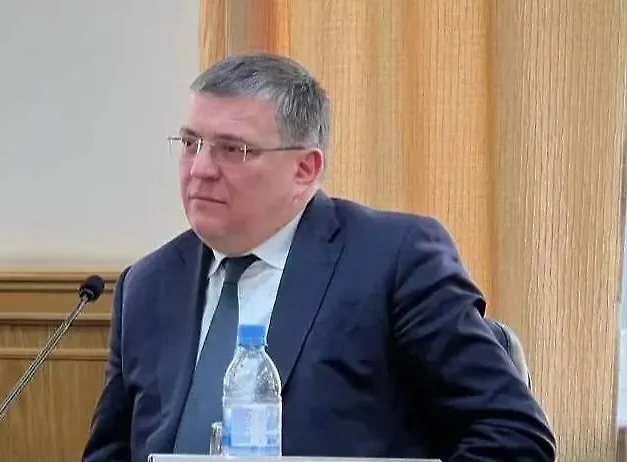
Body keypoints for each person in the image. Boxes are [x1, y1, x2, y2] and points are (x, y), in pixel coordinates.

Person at [82, 51, 556, 462]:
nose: (200, 169)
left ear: (305, 169)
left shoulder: (393, 261)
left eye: (233, 149)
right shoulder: (146, 285)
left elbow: (512, 435)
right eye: (191, 144)